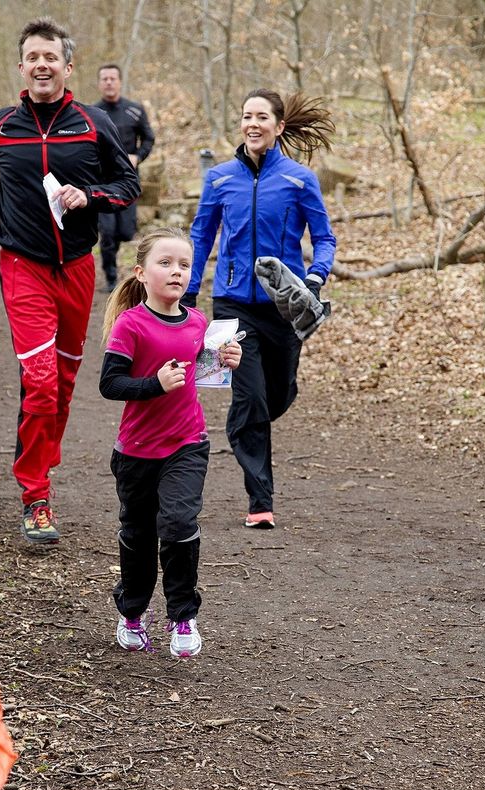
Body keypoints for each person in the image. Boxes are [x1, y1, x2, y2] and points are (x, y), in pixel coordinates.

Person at [0, 18, 140, 545]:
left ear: (67, 66)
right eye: (33, 57)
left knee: (59, 386)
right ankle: (35, 494)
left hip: (78, 267)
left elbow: (127, 182)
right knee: (38, 381)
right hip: (22, 265)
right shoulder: (1, 126)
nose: (42, 65)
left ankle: (41, 465)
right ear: (21, 66)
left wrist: (92, 196)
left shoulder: (90, 123)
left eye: (51, 57)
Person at [183, 89, 336, 529]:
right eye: (247, 116)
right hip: (232, 303)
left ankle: (244, 422)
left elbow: (324, 239)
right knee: (248, 396)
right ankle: (260, 500)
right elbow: (200, 236)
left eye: (262, 117)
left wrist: (314, 277)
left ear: (278, 126)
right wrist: (190, 292)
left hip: (285, 306)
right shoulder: (218, 178)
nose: (253, 123)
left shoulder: (299, 179)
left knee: (278, 394)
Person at [99, 228, 242, 657]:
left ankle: (182, 616)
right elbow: (111, 383)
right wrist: (154, 385)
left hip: (187, 443)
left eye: (184, 265)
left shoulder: (198, 322)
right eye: (166, 263)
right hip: (137, 451)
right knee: (139, 534)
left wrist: (224, 359)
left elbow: (199, 375)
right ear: (141, 273)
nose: (176, 272)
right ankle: (133, 611)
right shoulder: (130, 324)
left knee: (179, 526)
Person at [95, 64, 155, 292]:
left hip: (128, 180)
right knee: (107, 232)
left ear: (119, 82)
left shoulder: (134, 110)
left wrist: (138, 157)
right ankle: (110, 277)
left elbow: (149, 138)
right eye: (104, 79)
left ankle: (114, 255)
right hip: (102, 182)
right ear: (100, 83)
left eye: (112, 78)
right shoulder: (92, 112)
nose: (109, 82)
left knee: (126, 231)